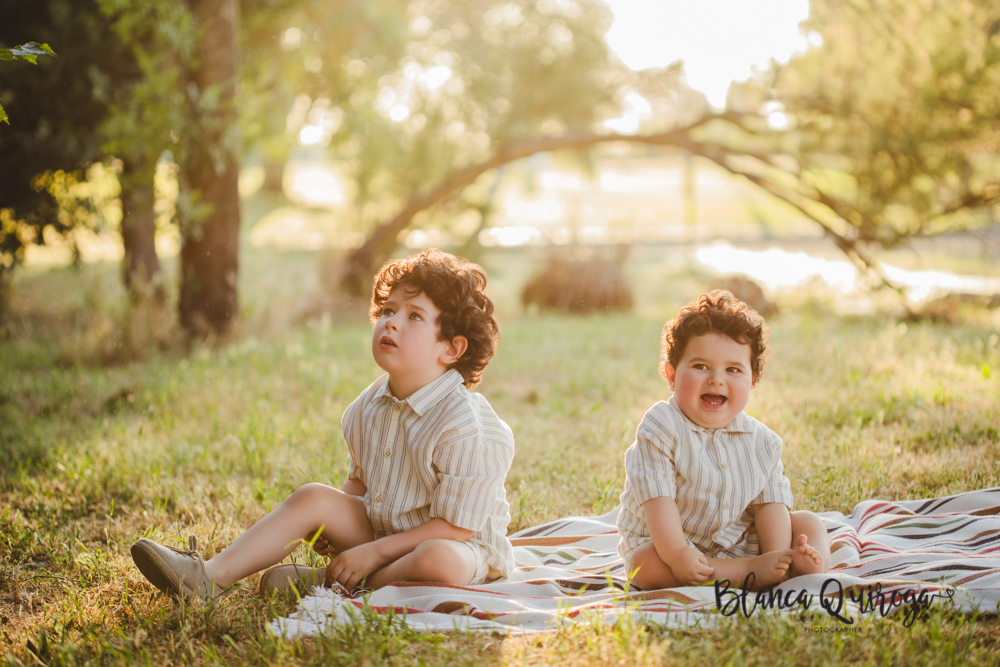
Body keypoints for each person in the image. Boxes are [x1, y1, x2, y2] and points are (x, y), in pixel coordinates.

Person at [131, 249, 515, 602]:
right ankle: (207, 577)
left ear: (451, 348)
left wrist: (374, 552)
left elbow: (456, 528)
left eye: (414, 316)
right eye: (388, 311)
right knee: (314, 497)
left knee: (439, 559)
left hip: (457, 547)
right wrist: (329, 528)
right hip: (385, 533)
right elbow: (361, 484)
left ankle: (336, 582)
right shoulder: (367, 407)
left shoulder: (467, 426)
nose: (392, 323)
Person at [617, 290, 830, 592]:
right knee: (643, 565)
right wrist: (679, 555)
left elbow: (770, 507)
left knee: (807, 522)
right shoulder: (661, 426)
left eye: (733, 369)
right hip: (670, 547)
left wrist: (774, 557)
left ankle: (799, 569)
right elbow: (659, 503)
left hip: (737, 541)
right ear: (671, 375)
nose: (717, 379)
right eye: (701, 366)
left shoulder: (764, 442)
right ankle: (743, 574)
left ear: (753, 380)